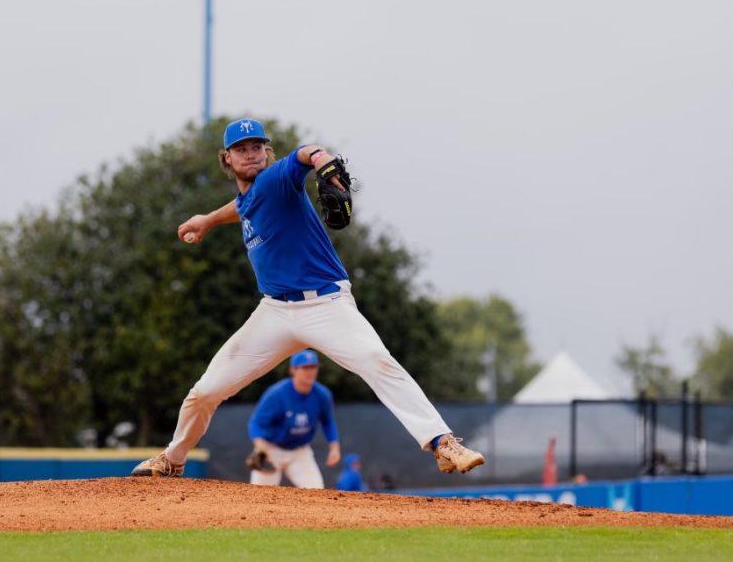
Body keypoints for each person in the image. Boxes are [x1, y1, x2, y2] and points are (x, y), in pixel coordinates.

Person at [132, 118, 484, 479]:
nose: (251, 154)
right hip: (274, 312)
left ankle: (442, 442)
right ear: (227, 158)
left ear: (267, 153)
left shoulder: (275, 179)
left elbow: (302, 155)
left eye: (257, 147)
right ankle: (172, 459)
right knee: (205, 391)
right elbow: (241, 207)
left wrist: (320, 157)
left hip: (325, 306)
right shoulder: (252, 196)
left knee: (376, 360)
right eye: (241, 149)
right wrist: (207, 219)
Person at [245, 349, 340, 489]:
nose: (310, 371)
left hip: (299, 451)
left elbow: (327, 421)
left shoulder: (322, 395)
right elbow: (256, 423)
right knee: (258, 496)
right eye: (305, 367)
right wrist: (260, 447)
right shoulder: (277, 394)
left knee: (317, 493)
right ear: (293, 370)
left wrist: (334, 448)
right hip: (272, 449)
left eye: (313, 367)